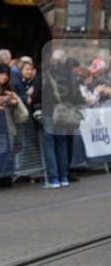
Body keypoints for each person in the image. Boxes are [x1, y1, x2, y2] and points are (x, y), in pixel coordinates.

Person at [40, 50, 85, 188]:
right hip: (64, 113)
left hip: (49, 112)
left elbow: (38, 95)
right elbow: (78, 97)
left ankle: (54, 179)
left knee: (49, 145)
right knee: (62, 145)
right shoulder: (71, 76)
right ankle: (64, 177)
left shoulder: (46, 75)